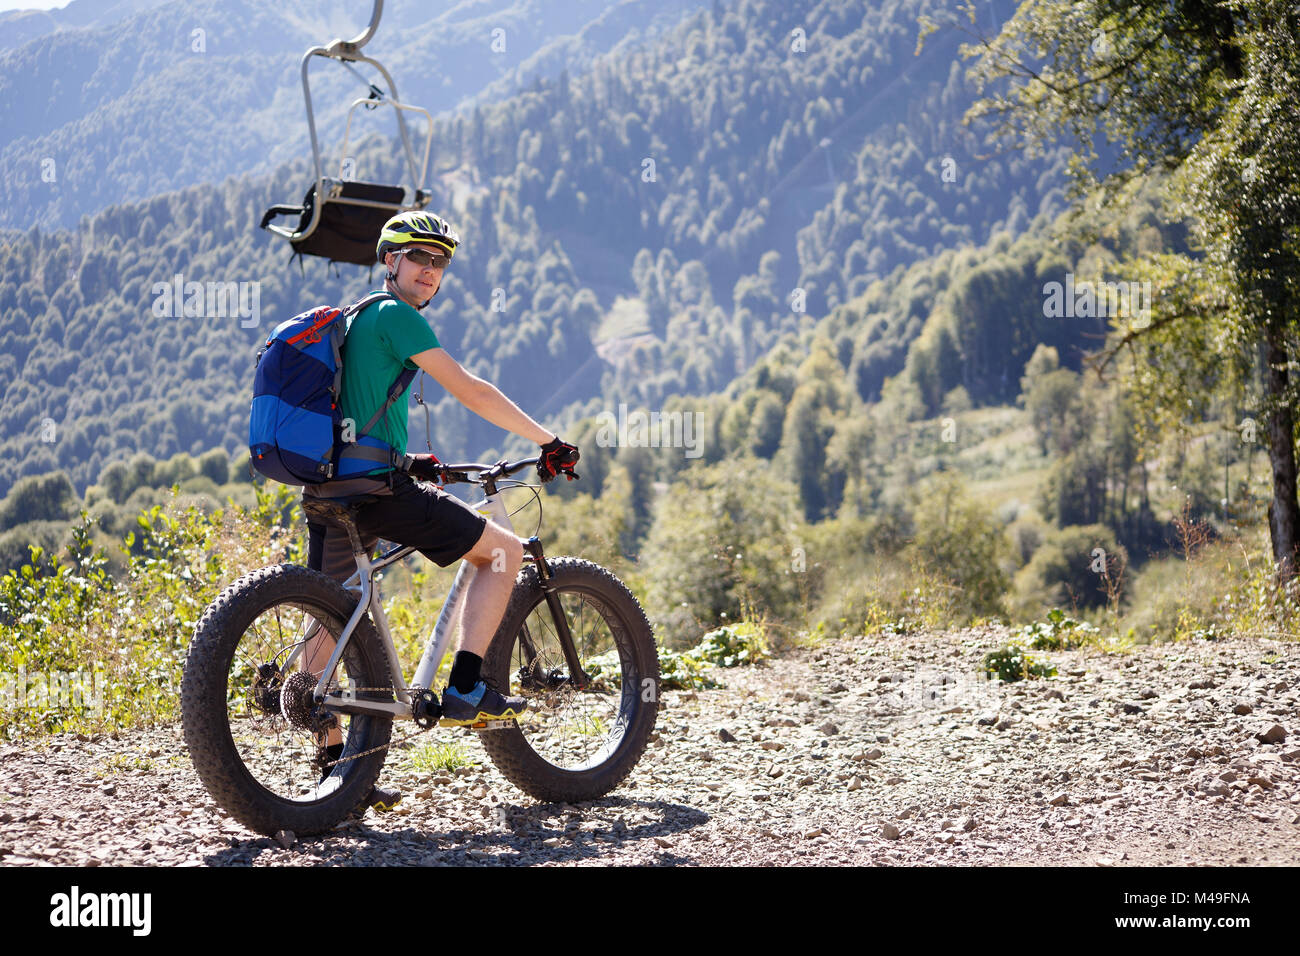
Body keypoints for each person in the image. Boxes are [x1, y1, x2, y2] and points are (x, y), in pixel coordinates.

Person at [303, 210, 579, 813]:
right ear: (389, 261)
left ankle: (334, 762)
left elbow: (359, 409)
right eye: (417, 258)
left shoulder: (352, 322)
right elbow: (472, 389)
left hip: (331, 485)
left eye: (439, 262)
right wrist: (546, 441)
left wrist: (415, 461)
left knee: (331, 609)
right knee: (503, 551)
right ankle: (465, 688)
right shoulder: (396, 317)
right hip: (378, 490)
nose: (430, 271)